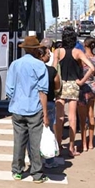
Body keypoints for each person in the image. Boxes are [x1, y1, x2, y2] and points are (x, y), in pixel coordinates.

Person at [6, 36, 50, 183]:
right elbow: (42, 91)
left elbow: (9, 89)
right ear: (36, 50)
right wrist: (45, 114)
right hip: (34, 108)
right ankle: (37, 174)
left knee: (19, 140)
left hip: (17, 108)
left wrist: (15, 99)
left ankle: (17, 171)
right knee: (35, 142)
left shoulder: (15, 64)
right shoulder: (40, 66)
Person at [53, 26, 95, 158]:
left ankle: (58, 145)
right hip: (73, 84)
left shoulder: (58, 52)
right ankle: (71, 147)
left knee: (59, 117)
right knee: (72, 117)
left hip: (60, 84)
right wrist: (82, 81)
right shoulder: (78, 52)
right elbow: (92, 67)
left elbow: (54, 69)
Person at [77, 37, 95, 151]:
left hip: (82, 87)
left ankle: (83, 143)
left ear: (84, 45)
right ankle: (91, 143)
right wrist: (93, 73)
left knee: (82, 118)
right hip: (92, 87)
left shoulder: (81, 58)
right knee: (91, 114)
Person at [40, 38, 62, 169]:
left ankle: (36, 157)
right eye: (48, 53)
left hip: (34, 105)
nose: (50, 54)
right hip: (49, 102)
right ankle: (49, 160)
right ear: (42, 56)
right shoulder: (51, 71)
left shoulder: (33, 70)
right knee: (49, 130)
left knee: (35, 131)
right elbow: (57, 86)